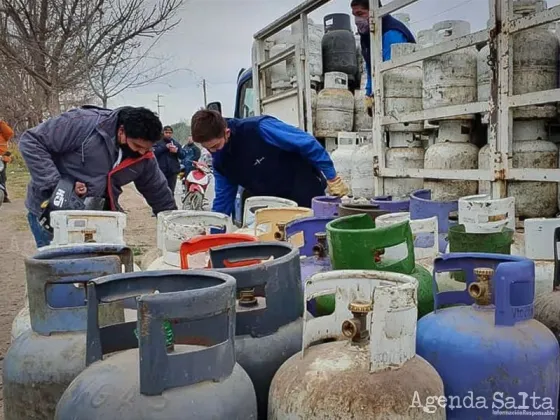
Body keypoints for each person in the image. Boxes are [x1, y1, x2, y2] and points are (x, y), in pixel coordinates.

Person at [19, 105, 177, 248]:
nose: (142, 152)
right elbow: (32, 141)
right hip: (51, 212)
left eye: (147, 148)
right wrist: (56, 185)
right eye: (137, 146)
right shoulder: (82, 123)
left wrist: (174, 227)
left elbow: (158, 191)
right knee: (59, 272)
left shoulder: (144, 156)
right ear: (121, 131)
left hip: (97, 218)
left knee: (97, 271)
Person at [190, 109, 350, 216]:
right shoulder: (221, 163)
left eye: (216, 146)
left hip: (303, 190)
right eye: (208, 148)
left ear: (226, 132)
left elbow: (307, 143)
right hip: (272, 205)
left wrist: (332, 177)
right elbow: (223, 201)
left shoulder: (259, 128)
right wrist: (215, 235)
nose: (214, 152)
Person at [351, 0, 416, 116]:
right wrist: (369, 92)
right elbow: (371, 66)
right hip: (386, 91)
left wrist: (378, 95)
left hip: (404, 91)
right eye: (354, 15)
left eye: (360, 14)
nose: (356, 20)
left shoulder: (391, 32)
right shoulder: (367, 35)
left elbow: (391, 70)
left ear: (374, 12)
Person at [153, 125, 186, 195]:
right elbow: (153, 153)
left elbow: (183, 156)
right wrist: (165, 147)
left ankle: (170, 205)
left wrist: (177, 151)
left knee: (170, 192)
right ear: (163, 133)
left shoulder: (176, 143)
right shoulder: (157, 143)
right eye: (166, 132)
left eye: (170, 133)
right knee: (160, 191)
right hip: (160, 171)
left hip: (172, 172)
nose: (168, 134)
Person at [0, 120, 14, 203]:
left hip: (2, 159)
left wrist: (0, 122)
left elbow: (10, 133)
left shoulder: (3, 134)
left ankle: (4, 195)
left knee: (2, 177)